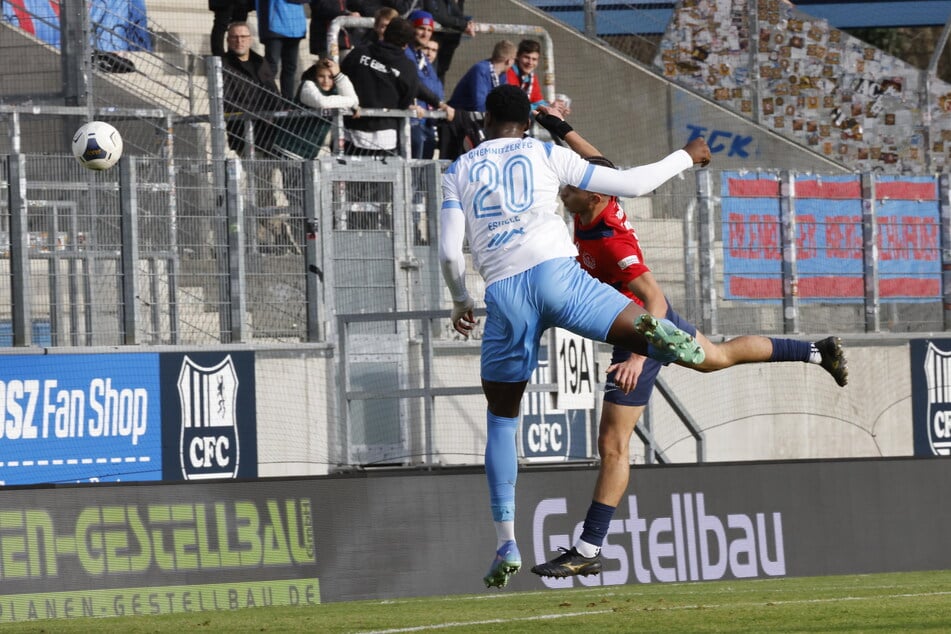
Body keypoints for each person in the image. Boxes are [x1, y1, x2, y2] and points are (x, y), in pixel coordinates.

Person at [525, 107, 849, 579]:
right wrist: (553, 123)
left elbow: (654, 300)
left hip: (643, 330)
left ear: (593, 194)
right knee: (715, 357)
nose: (563, 190)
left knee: (614, 444)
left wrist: (639, 355)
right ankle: (817, 350)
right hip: (639, 325)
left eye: (571, 187)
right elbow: (592, 156)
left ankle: (589, 548)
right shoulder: (598, 194)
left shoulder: (614, 243)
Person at [438, 84, 709, 589]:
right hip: (558, 277)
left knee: (501, 422)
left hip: (505, 294)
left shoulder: (458, 170)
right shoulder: (546, 153)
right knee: (630, 317)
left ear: (485, 119)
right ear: (525, 121)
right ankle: (660, 333)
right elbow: (633, 183)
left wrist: (460, 300)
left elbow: (451, 256)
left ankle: (506, 543)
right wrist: (685, 157)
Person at [340, 17, 450, 156]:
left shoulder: (359, 53)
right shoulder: (407, 67)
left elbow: (341, 80)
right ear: (406, 43)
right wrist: (437, 102)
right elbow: (407, 98)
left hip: (350, 132)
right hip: (386, 139)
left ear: (385, 33)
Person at [439, 39, 516, 161]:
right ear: (509, 60)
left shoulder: (501, 75)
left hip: (477, 123)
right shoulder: (480, 70)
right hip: (458, 123)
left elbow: (503, 101)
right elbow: (479, 104)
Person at [274, 57, 359, 160]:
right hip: (288, 147)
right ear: (315, 76)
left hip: (309, 152)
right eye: (321, 76)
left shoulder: (335, 92)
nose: (326, 81)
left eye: (331, 77)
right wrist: (351, 102)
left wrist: (339, 76)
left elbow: (354, 100)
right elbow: (322, 102)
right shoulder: (307, 86)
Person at [221, 21, 283, 157]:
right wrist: (260, 113)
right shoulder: (222, 65)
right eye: (234, 37)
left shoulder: (260, 62)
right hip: (243, 132)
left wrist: (279, 113)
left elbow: (274, 93)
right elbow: (226, 103)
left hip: (271, 131)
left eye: (243, 37)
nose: (239, 41)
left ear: (250, 40)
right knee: (257, 175)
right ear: (228, 40)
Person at [406, 10, 444, 159]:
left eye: (429, 30)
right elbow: (418, 84)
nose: (426, 34)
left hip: (427, 121)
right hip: (412, 122)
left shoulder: (422, 56)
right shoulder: (405, 52)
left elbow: (436, 87)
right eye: (421, 28)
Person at [257, 0, 308, 99]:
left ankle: (287, 102)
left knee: (290, 68)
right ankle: (267, 100)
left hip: (295, 26)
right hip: (274, 24)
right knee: (271, 67)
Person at [422, 0, 475, 82]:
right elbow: (436, 15)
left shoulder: (456, 3)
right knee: (429, 74)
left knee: (440, 74)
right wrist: (463, 24)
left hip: (449, 45)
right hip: (433, 42)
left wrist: (468, 21)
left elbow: (457, 14)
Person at [503, 39, 548, 111]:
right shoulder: (508, 73)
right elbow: (514, 106)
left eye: (534, 59)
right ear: (518, 57)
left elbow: (538, 102)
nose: (530, 62)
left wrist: (552, 108)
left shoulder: (531, 77)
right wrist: (540, 108)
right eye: (526, 57)